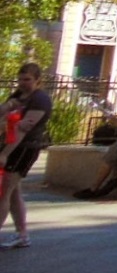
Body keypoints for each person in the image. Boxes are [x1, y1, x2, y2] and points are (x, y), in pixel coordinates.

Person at [0, 63, 52, 250]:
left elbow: (22, 130)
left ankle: (21, 235)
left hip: (24, 148)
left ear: (38, 80)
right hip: (9, 145)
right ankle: (22, 235)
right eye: (20, 79)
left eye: (27, 79)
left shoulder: (40, 100)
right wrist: (7, 107)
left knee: (4, 191)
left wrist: (4, 154)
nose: (22, 83)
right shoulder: (17, 96)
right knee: (13, 192)